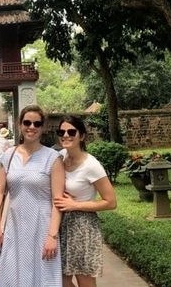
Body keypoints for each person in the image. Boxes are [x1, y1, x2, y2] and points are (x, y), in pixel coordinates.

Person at [0, 105, 65, 287]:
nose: (32, 127)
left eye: (37, 123)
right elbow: (0, 191)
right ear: (19, 124)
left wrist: (52, 236)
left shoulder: (53, 158)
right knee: (12, 276)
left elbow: (57, 201)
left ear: (43, 127)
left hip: (42, 228)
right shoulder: (8, 155)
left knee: (43, 277)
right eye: (27, 122)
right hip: (15, 228)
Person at [54, 115, 117, 287]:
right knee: (60, 280)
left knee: (85, 281)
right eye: (61, 132)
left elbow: (110, 202)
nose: (65, 135)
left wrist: (75, 205)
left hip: (83, 227)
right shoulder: (59, 157)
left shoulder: (91, 165)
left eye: (71, 131)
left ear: (81, 136)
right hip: (60, 224)